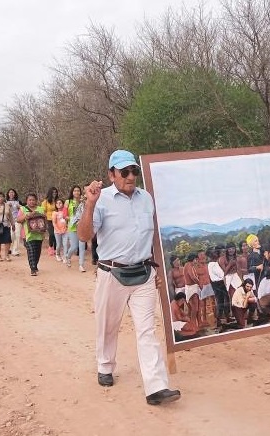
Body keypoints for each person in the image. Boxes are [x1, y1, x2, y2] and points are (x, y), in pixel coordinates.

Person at [78, 149, 180, 406]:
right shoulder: (100, 200)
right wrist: (89, 204)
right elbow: (83, 235)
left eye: (134, 170)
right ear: (112, 174)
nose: (131, 176)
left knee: (147, 330)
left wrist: (160, 270)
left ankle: (156, 386)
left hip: (144, 273)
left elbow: (153, 236)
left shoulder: (146, 199)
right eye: (124, 172)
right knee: (108, 325)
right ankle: (105, 365)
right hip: (111, 273)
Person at [16, 193, 46, 276]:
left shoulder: (40, 209)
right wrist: (26, 216)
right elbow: (18, 220)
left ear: (36, 201)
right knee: (31, 251)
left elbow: (43, 220)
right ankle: (33, 268)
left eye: (33, 200)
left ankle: (35, 265)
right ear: (27, 201)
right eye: (30, 200)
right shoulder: (23, 209)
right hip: (27, 234)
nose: (32, 201)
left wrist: (43, 232)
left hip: (39, 234)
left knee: (37, 252)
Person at [66, 185, 87, 272]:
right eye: (75, 191)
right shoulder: (68, 202)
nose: (76, 192)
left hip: (82, 226)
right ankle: (68, 256)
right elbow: (64, 214)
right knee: (74, 246)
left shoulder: (83, 201)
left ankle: (81, 265)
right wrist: (70, 219)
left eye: (78, 190)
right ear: (72, 192)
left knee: (82, 247)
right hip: (72, 227)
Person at [41, 187, 60, 256]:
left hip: (58, 219)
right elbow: (43, 211)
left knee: (57, 234)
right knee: (51, 234)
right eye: (53, 192)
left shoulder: (58, 200)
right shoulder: (45, 201)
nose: (54, 194)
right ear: (50, 193)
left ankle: (55, 248)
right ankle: (50, 247)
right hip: (49, 219)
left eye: (55, 192)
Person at [6, 188, 23, 256]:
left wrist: (20, 207)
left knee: (17, 235)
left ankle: (15, 251)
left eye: (12, 192)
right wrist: (7, 206)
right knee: (11, 235)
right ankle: (9, 248)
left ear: (15, 194)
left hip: (17, 220)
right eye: (10, 192)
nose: (11, 194)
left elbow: (23, 209)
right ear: (8, 194)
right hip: (9, 221)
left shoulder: (18, 201)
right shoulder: (5, 202)